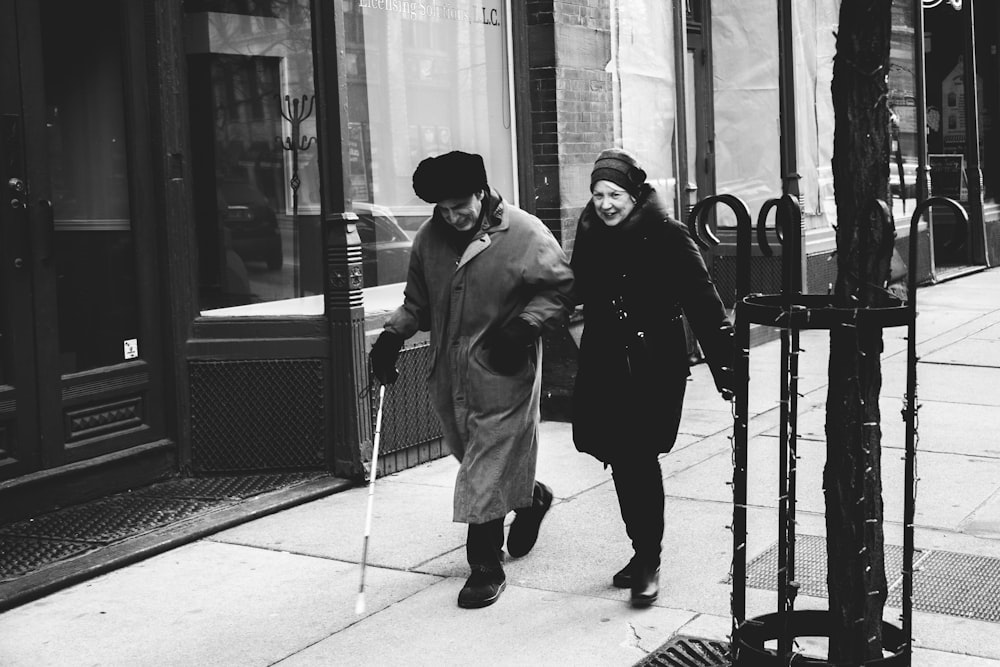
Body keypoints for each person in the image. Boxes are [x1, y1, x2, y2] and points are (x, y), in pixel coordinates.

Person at [369, 150, 574, 609]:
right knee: (473, 455)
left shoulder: (523, 232)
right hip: (450, 372)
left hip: (505, 367)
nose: (452, 216)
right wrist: (391, 337)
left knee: (485, 463)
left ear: (481, 193)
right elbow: (417, 302)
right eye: (442, 209)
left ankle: (484, 564)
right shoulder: (428, 239)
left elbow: (560, 287)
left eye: (460, 205)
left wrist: (523, 327)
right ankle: (532, 498)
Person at [570, 148, 734, 608]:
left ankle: (648, 560)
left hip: (652, 363)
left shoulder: (667, 233)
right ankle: (642, 548)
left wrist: (726, 367)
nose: (605, 204)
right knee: (620, 459)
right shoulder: (590, 232)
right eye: (599, 194)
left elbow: (704, 301)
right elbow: (574, 287)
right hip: (605, 361)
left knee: (638, 457)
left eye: (615, 194)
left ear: (635, 194)